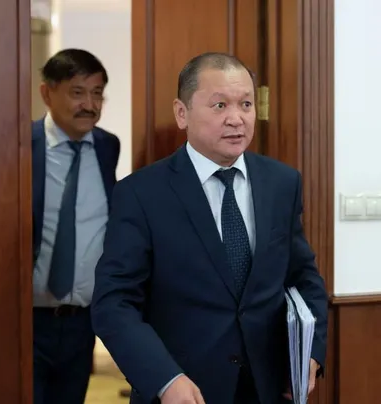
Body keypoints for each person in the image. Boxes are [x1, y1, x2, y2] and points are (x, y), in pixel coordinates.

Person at [91, 52, 328, 404]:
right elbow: (114, 303)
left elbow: (303, 278)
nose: (236, 118)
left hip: (268, 387)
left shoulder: (281, 183)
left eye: (246, 104)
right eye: (220, 105)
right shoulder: (140, 194)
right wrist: (164, 379)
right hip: (183, 389)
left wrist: (311, 353)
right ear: (182, 113)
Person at [31, 48, 120, 404]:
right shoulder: (20, 145)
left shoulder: (107, 147)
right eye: (78, 92)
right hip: (26, 320)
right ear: (47, 93)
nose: (90, 105)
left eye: (97, 93)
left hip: (82, 322)